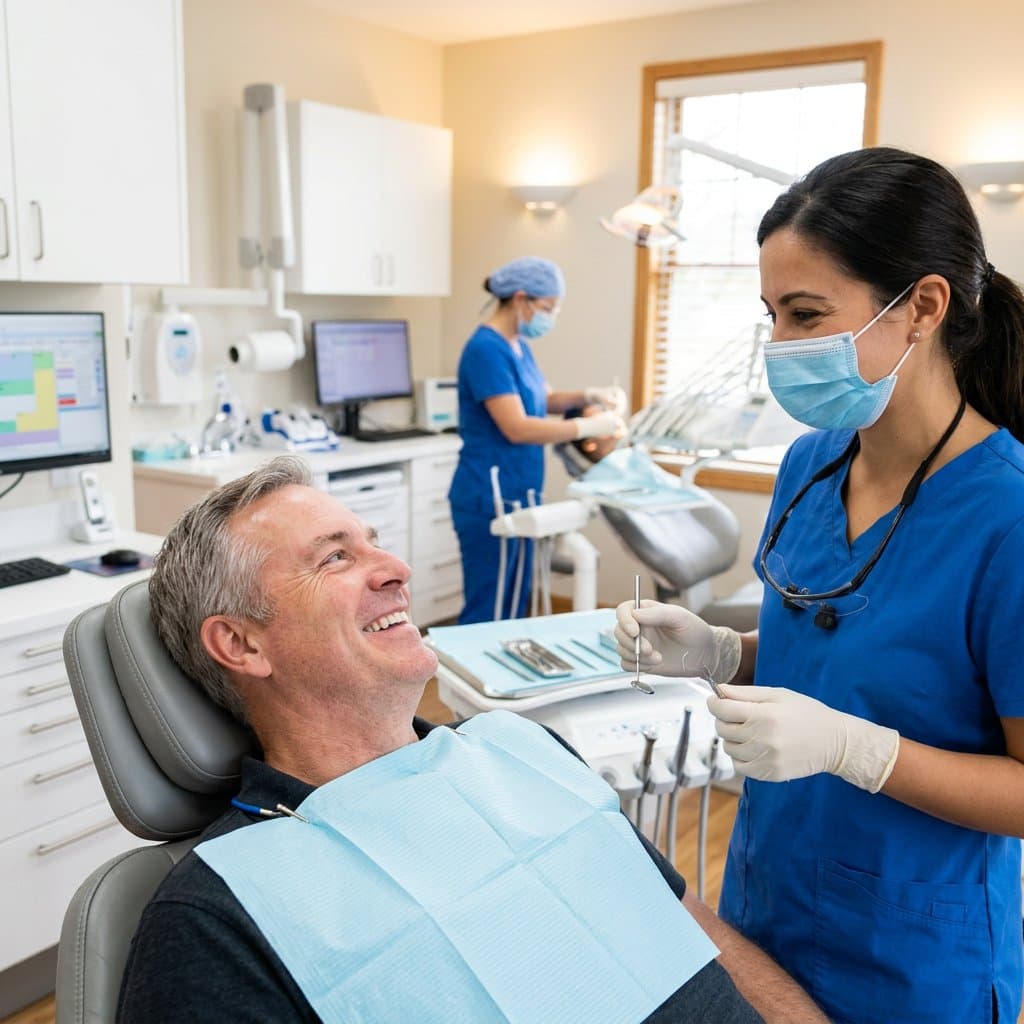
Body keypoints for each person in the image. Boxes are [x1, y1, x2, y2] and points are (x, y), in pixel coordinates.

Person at [119, 455, 827, 1024]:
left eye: (372, 541)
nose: (395, 569)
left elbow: (693, 927)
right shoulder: (220, 911)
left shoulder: (522, 749)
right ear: (240, 643)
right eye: (335, 558)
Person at [614, 147, 1024, 1024]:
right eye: (772, 315)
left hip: (912, 947)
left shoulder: (1008, 519)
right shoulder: (808, 464)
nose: (782, 347)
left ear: (922, 305)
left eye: (807, 314)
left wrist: (857, 751)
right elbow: (841, 655)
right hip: (768, 898)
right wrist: (725, 652)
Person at [449, 256, 627, 623]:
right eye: (547, 308)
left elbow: (543, 400)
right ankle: (472, 680)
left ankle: (501, 679)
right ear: (520, 298)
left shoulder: (517, 345)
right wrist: (587, 429)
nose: (550, 317)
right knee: (490, 607)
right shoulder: (486, 349)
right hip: (489, 494)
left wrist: (589, 396)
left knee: (514, 601)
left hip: (518, 491)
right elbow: (517, 426)